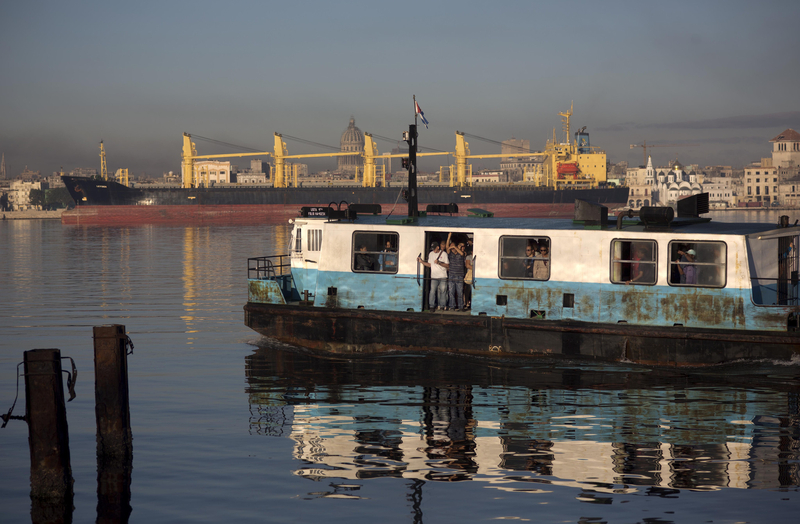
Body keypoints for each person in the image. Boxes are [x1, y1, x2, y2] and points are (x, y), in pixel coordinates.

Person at [418, 241, 449, 311]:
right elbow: (429, 265)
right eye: (432, 248)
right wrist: (421, 262)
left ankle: (442, 306)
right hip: (434, 276)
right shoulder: (431, 254)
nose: (433, 250)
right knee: (432, 291)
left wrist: (439, 263)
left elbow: (447, 265)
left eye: (434, 248)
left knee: (443, 291)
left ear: (438, 247)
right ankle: (431, 306)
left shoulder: (444, 254)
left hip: (443, 276)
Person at [446, 234, 468, 311]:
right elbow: (447, 247)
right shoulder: (450, 254)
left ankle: (461, 307)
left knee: (460, 292)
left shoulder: (462, 253)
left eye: (452, 246)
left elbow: (462, 254)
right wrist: (449, 236)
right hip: (451, 275)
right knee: (451, 292)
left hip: (459, 276)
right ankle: (452, 306)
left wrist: (455, 247)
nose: (451, 247)